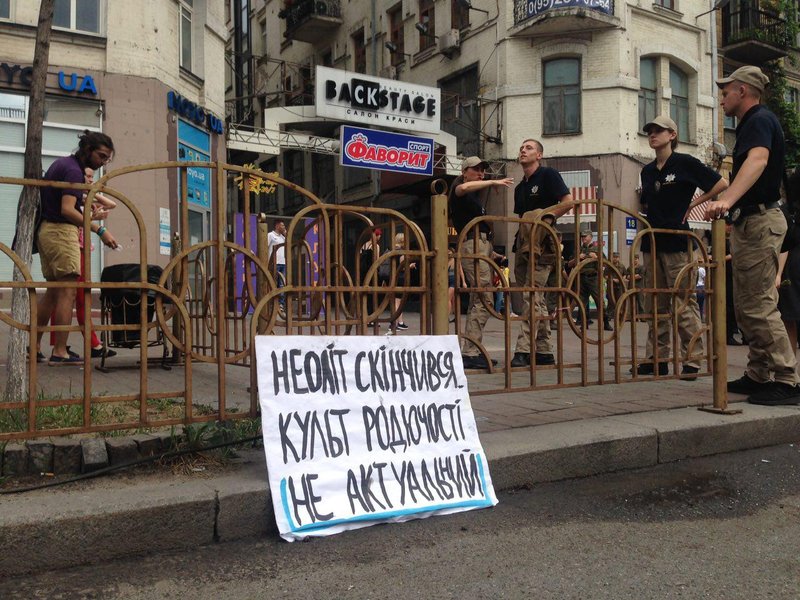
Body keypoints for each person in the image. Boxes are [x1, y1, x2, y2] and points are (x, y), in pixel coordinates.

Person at [704, 65, 800, 405]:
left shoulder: (758, 119)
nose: (722, 98)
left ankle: (788, 380)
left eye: (726, 92)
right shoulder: (753, 123)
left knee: (758, 303)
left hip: (761, 221)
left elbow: (757, 161)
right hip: (752, 221)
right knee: (747, 305)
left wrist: (727, 200)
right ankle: (759, 373)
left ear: (742, 90)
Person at [637, 114, 727, 377]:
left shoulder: (684, 162)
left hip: (678, 242)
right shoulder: (647, 170)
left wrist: (694, 204)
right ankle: (657, 359)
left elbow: (721, 183)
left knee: (683, 301)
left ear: (672, 135)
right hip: (652, 242)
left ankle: (693, 359)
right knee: (655, 302)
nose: (653, 134)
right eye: (650, 130)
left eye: (659, 130)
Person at [35, 130, 118, 365]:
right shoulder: (73, 170)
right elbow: (67, 210)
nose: (103, 162)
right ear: (88, 150)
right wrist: (100, 230)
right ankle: (60, 351)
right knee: (68, 292)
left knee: (53, 293)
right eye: (101, 156)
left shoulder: (63, 165)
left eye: (107, 158)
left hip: (48, 231)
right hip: (61, 232)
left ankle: (33, 347)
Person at [510, 139, 572, 368]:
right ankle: (544, 350)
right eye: (521, 147)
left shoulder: (548, 175)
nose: (523, 150)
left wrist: (547, 219)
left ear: (539, 155)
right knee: (535, 297)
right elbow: (521, 218)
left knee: (532, 295)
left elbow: (568, 202)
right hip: (523, 244)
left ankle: (524, 348)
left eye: (529, 148)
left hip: (544, 245)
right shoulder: (520, 187)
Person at [449, 156, 513, 369]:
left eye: (483, 170)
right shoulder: (459, 188)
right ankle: (470, 351)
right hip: (473, 245)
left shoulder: (473, 197)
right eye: (476, 169)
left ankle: (472, 349)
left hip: (481, 245)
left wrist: (491, 252)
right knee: (483, 296)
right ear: (464, 172)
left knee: (480, 297)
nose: (481, 173)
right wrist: (493, 182)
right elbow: (463, 188)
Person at [48, 167, 118, 360]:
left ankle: (61, 345)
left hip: (79, 248)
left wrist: (91, 190)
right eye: (86, 176)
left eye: (91, 177)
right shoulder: (70, 197)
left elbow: (111, 204)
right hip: (73, 248)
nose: (89, 179)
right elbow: (73, 217)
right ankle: (87, 344)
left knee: (65, 296)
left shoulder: (83, 197)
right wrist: (94, 219)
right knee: (74, 296)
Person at [777, 167, 800, 354]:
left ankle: (790, 366)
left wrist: (777, 274)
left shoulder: (786, 210)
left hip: (792, 269)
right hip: (792, 268)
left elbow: (783, 245)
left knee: (789, 319)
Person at [569, 229, 612, 332]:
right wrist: (577, 258)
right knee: (582, 302)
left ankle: (606, 322)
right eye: (582, 236)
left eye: (585, 236)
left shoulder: (597, 249)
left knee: (599, 301)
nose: (583, 238)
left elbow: (605, 263)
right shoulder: (578, 249)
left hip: (593, 278)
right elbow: (569, 264)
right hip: (581, 278)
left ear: (591, 237)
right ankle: (584, 323)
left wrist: (596, 257)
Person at [267, 219, 286, 307]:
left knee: (282, 283)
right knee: (273, 283)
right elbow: (265, 247)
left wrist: (286, 234)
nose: (284, 227)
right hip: (274, 263)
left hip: (283, 262)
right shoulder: (270, 235)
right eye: (282, 225)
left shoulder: (283, 237)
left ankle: (281, 304)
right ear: (277, 226)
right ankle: (272, 303)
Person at [605, 252, 625, 325]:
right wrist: (613, 280)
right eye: (614, 257)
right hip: (611, 286)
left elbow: (625, 275)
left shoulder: (622, 266)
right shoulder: (609, 265)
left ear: (619, 258)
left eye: (617, 257)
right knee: (610, 301)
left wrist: (620, 279)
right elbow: (605, 275)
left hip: (619, 286)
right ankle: (609, 316)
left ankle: (619, 315)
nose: (615, 258)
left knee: (619, 301)